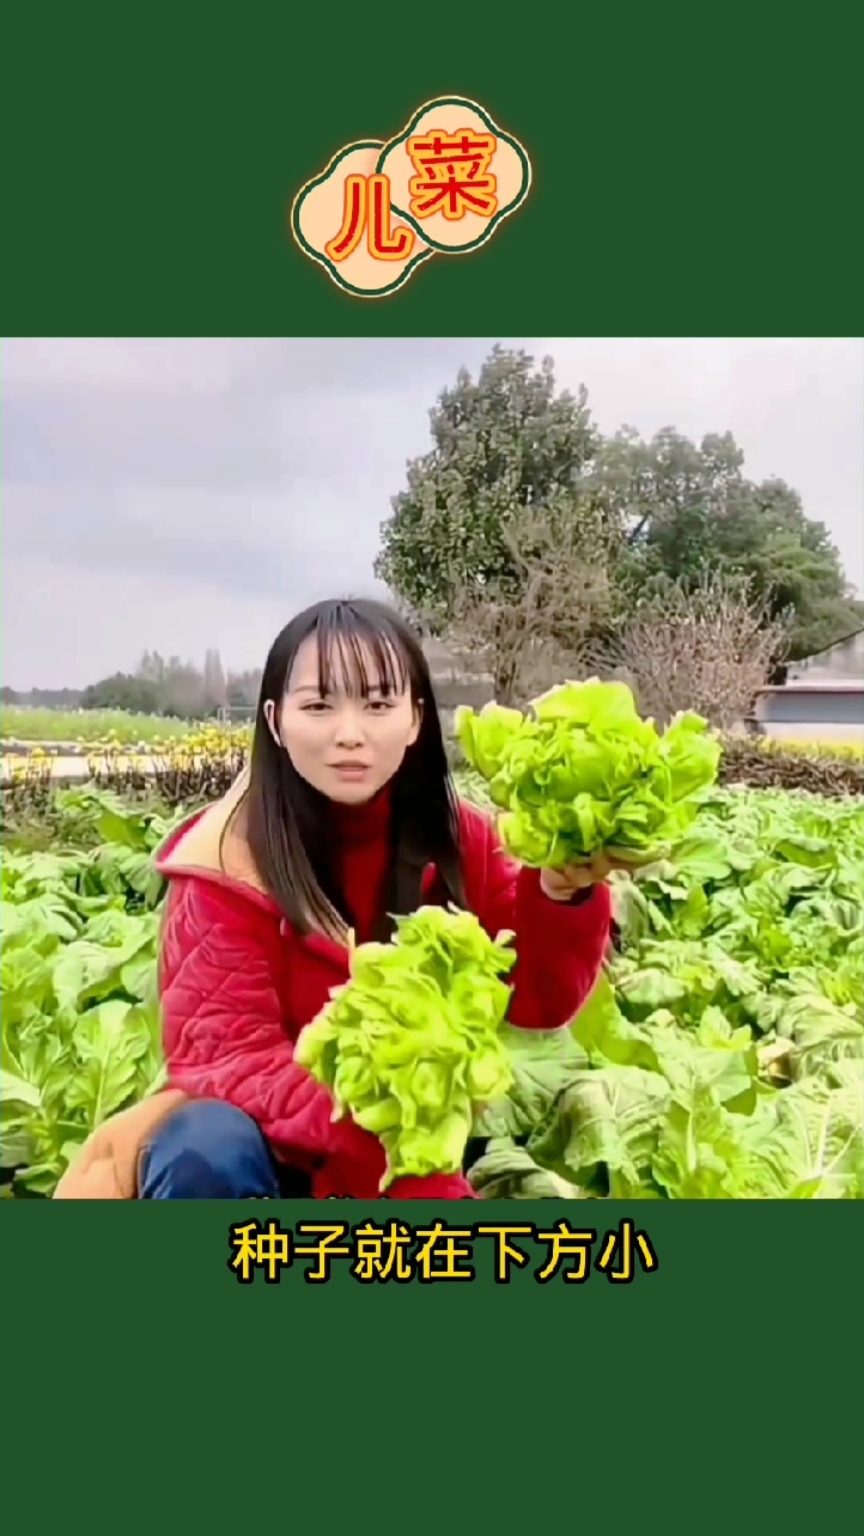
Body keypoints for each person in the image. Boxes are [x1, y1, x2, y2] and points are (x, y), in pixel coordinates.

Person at [56, 598, 616, 1201]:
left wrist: (563, 892)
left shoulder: (460, 840)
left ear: (415, 720)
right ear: (275, 721)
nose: (350, 734)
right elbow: (230, 1059)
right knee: (206, 1145)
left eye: (377, 705)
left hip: (400, 1154)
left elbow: (535, 1000)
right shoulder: (224, 861)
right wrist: (396, 1123)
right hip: (272, 1150)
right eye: (319, 705)